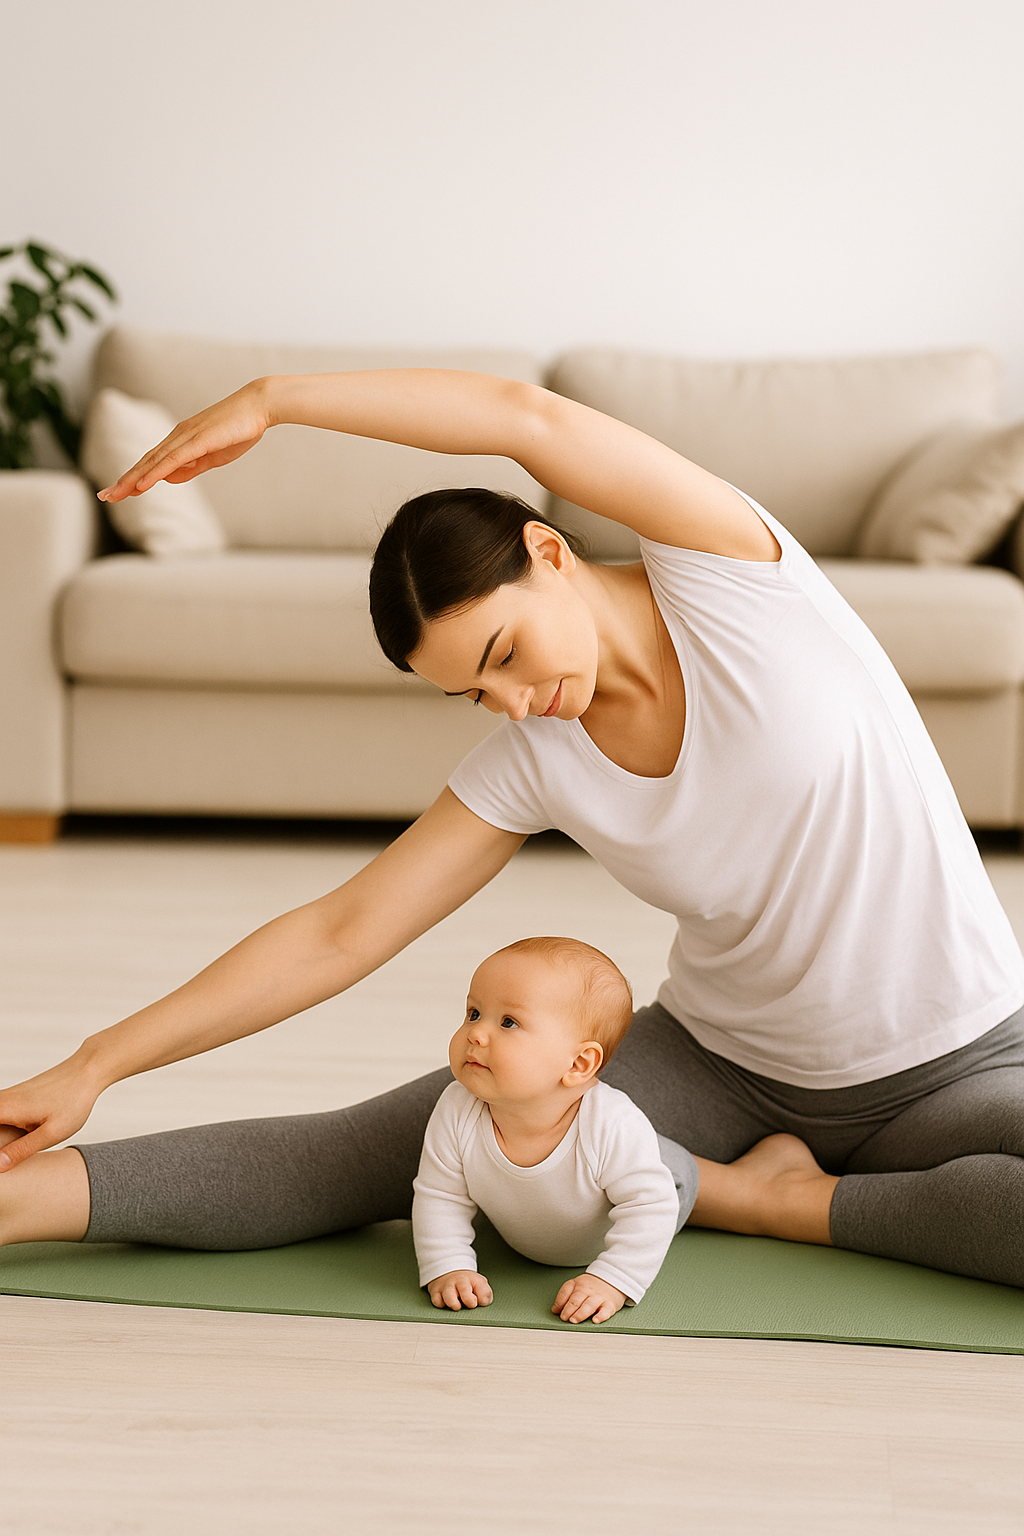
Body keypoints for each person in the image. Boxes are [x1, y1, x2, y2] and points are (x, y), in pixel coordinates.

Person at [0, 368, 1022, 1289]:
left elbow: (523, 419)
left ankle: (760, 1199)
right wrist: (95, 1064)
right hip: (718, 1065)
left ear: (550, 552)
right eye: (476, 693)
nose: (518, 702)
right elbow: (338, 933)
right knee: (376, 1149)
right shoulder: (535, 754)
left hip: (958, 1061)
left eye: (506, 652)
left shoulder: (729, 575)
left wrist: (275, 399)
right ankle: (17, 1205)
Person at [414, 936, 690, 1325]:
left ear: (578, 1064)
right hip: (579, 1191)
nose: (476, 1033)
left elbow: (651, 1208)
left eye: (508, 1022)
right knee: (617, 1164)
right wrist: (448, 1264)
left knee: (656, 1179)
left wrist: (613, 1280)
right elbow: (440, 1194)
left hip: (671, 1182)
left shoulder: (611, 1123)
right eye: (474, 1013)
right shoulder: (456, 1109)